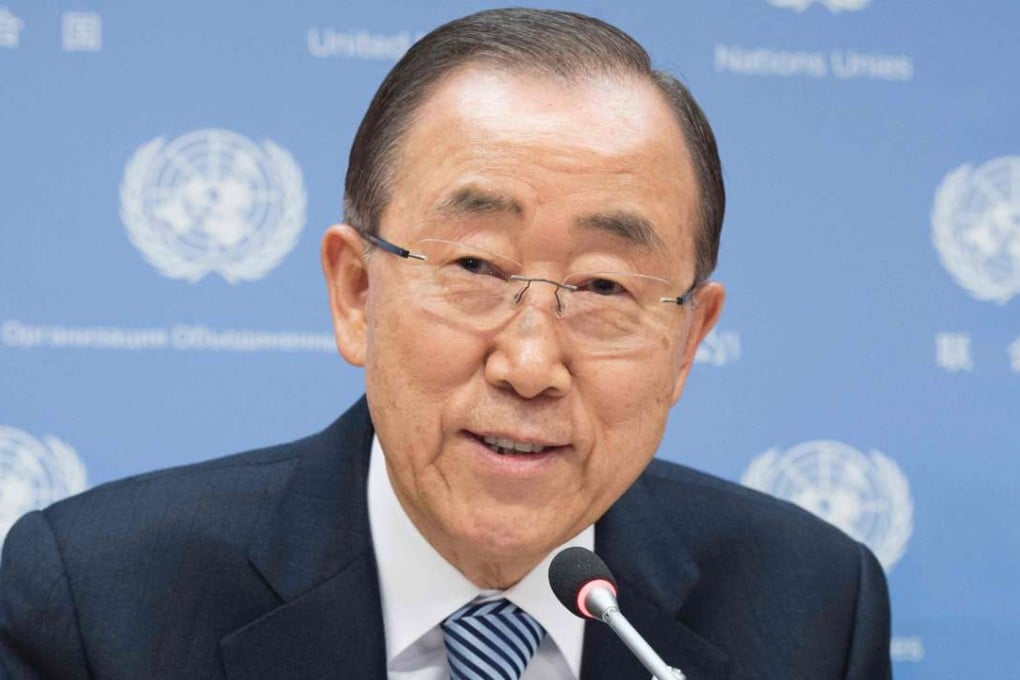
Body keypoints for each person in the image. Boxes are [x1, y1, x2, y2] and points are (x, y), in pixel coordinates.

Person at [0, 8, 891, 679]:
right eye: (474, 266)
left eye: (604, 287)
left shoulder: (813, 608)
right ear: (356, 292)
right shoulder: (99, 602)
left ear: (688, 341)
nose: (530, 366)